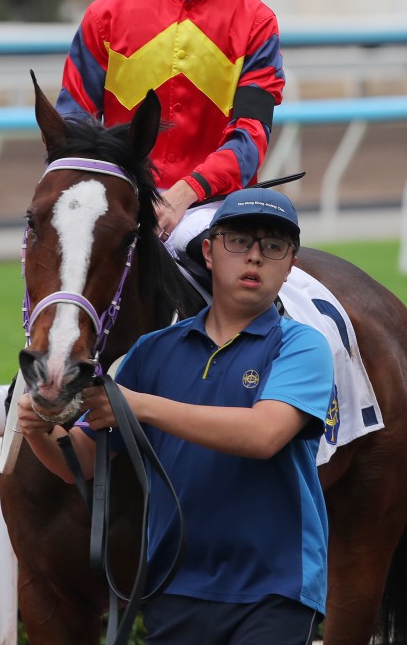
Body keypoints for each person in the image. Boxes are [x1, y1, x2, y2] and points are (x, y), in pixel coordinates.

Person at [17, 187, 334, 645]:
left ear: (290, 266)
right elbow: (83, 461)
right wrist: (40, 433)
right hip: (173, 587)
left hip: (275, 590)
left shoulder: (302, 346)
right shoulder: (153, 351)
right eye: (238, 241)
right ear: (208, 252)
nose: (254, 257)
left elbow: (264, 435)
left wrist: (140, 405)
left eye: (273, 246)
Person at [56, 0, 284, 263]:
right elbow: (71, 128)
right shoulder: (104, 17)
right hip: (116, 207)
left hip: (211, 209)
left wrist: (186, 192)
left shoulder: (257, 22)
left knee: (257, 275)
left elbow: (251, 136)